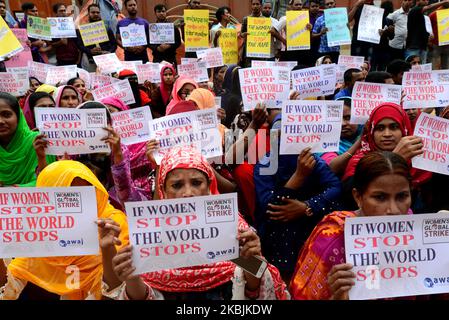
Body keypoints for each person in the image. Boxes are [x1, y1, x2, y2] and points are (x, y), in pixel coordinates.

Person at [101, 146, 290, 300]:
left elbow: (254, 292)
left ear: (209, 187)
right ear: (163, 191)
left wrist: (251, 260)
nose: (188, 193)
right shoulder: (148, 236)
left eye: (196, 182)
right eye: (177, 185)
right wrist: (132, 277)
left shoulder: (233, 229)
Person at [289, 151, 414, 300]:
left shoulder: (416, 233)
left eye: (402, 196)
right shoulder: (332, 236)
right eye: (380, 197)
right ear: (358, 197)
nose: (393, 210)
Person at [0, 160, 129, 300]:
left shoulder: (113, 223)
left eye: (85, 195)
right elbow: (10, 287)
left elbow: (119, 291)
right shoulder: (41, 232)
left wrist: (107, 249)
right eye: (66, 197)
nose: (76, 206)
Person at [254, 107, 343, 282]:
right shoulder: (266, 163)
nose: (286, 140)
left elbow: (335, 188)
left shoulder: (313, 160)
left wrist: (307, 206)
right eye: (280, 134)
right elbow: (271, 208)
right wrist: (298, 176)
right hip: (277, 240)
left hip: (308, 232)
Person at [342, 103, 431, 211]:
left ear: (404, 129)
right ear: (371, 132)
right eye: (380, 128)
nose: (387, 134)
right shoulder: (359, 160)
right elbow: (350, 198)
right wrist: (395, 159)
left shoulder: (420, 158)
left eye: (394, 127)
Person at [0, 92, 55, 187]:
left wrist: (13, 190)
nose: (0, 121)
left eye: (6, 115)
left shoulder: (38, 141)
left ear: (18, 117)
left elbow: (48, 182)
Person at [319, 98, 363, 177]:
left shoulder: (371, 138)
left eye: (348, 118)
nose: (342, 124)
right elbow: (332, 168)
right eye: (337, 119)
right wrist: (360, 141)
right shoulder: (325, 142)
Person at [76, 3, 118, 72]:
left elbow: (114, 44)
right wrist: (90, 51)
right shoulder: (83, 29)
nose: (96, 14)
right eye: (93, 12)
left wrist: (109, 52)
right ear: (88, 14)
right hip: (90, 62)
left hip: (106, 61)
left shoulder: (106, 28)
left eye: (97, 12)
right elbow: (80, 45)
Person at [371, 1, 394, 71]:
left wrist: (390, 31)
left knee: (380, 69)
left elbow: (391, 37)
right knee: (374, 68)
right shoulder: (376, 19)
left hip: (384, 49)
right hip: (375, 48)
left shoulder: (389, 20)